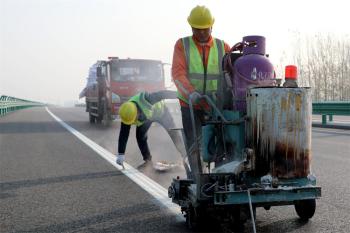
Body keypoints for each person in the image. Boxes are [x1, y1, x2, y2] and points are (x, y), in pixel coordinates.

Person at [171, 5, 230, 180]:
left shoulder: (223, 47)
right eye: (198, 29)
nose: (202, 33)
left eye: (205, 29)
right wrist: (191, 93)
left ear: (212, 26)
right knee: (194, 143)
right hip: (190, 104)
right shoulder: (182, 45)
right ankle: (197, 179)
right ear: (191, 27)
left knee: (223, 141)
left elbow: (231, 76)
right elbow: (177, 73)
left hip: (215, 105)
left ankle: (221, 177)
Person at [116, 90, 187, 170]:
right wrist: (121, 154)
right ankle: (148, 161)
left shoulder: (148, 98)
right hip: (148, 118)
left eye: (134, 119)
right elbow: (123, 134)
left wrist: (182, 95)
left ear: (137, 112)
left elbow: (162, 94)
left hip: (162, 113)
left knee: (173, 133)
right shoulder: (126, 113)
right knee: (140, 136)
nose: (132, 123)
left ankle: (186, 156)